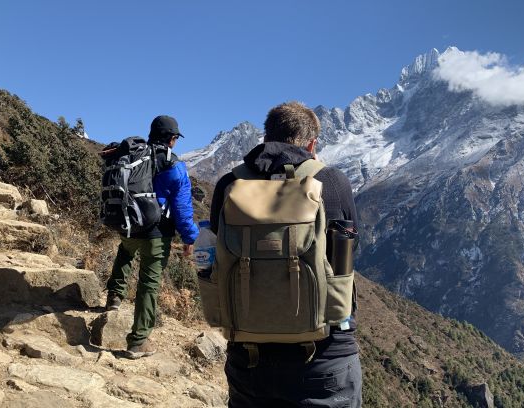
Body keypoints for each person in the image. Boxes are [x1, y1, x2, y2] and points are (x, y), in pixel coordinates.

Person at [210, 102, 362, 407]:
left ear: (265, 137)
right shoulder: (331, 181)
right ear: (312, 143)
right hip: (324, 356)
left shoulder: (230, 184)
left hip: (249, 357)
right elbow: (350, 246)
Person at [106, 115, 199, 359]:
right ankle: (138, 340)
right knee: (149, 283)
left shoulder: (135, 155)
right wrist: (190, 237)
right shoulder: (174, 165)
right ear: (172, 138)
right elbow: (182, 208)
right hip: (157, 233)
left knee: (125, 252)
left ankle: (114, 296)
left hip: (130, 224)